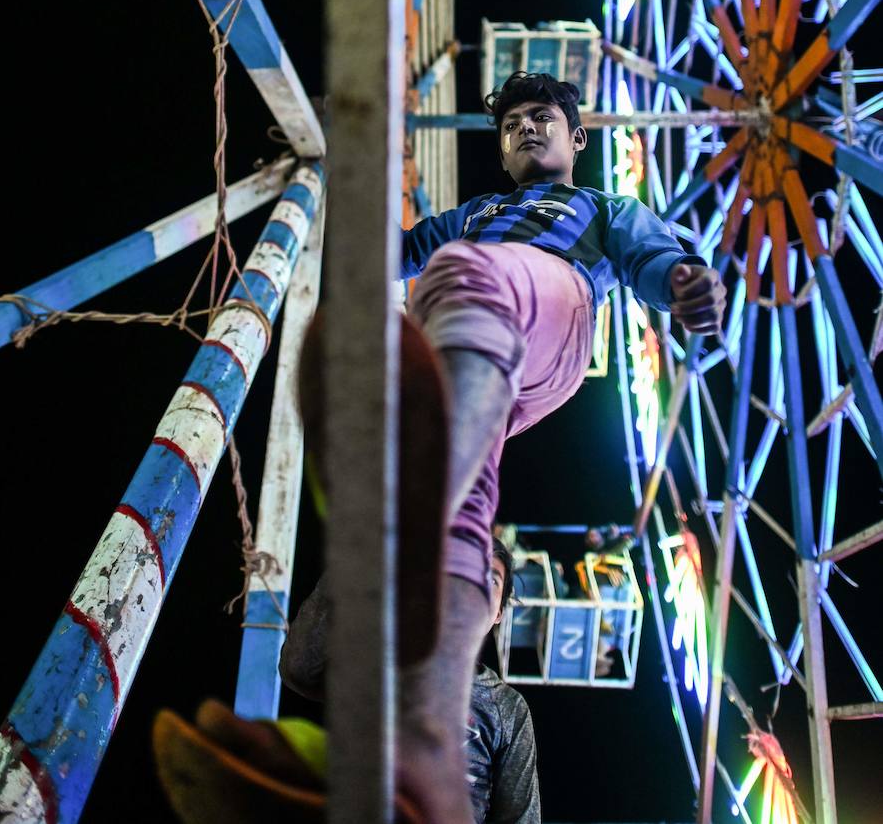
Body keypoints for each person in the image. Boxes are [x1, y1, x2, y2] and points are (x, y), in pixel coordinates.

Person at [398, 70, 726, 822]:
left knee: (459, 278)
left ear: (577, 138)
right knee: (449, 441)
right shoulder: (475, 213)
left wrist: (680, 281)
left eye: (541, 118)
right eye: (511, 126)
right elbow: (399, 250)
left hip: (555, 309)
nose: (525, 130)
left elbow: (648, 254)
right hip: (479, 354)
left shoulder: (601, 207)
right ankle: (432, 581)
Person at [279, 539, 541, 823]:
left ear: (499, 612)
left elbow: (521, 818)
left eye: (491, 579)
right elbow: (299, 670)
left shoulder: (508, 709)